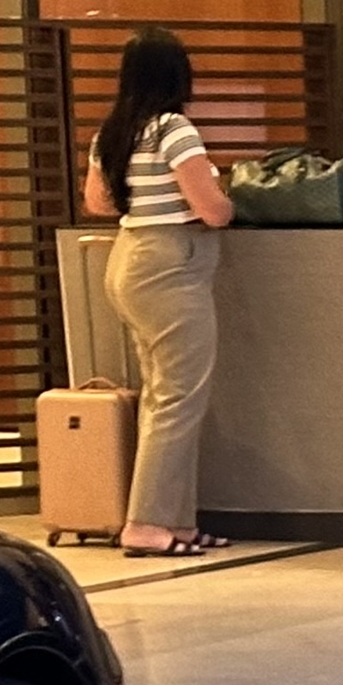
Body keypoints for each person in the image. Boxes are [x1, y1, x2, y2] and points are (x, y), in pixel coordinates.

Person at [82, 27, 233, 559]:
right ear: (177, 73)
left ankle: (178, 524)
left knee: (164, 395)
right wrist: (225, 196)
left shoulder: (115, 131)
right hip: (173, 266)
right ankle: (146, 525)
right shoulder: (175, 130)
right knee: (178, 399)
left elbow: (98, 203)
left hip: (130, 261)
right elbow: (213, 211)